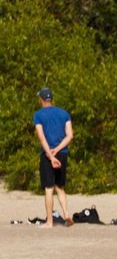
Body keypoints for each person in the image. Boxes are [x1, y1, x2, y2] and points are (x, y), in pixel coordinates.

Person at [33, 88, 73, 227]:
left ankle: (49, 221)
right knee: (60, 187)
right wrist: (57, 150)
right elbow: (70, 135)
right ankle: (66, 214)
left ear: (41, 99)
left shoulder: (38, 115)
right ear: (51, 99)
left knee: (49, 188)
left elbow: (42, 138)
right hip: (62, 153)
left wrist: (50, 155)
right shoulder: (64, 113)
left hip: (47, 154)